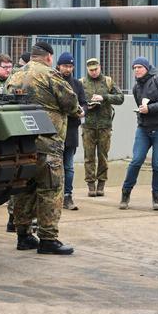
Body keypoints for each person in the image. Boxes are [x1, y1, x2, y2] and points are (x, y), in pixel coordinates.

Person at [5, 41, 79, 254]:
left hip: (22, 143)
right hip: (47, 143)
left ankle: (23, 236)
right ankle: (48, 239)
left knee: (23, 189)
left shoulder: (15, 75)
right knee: (51, 189)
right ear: (48, 57)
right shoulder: (50, 75)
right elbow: (71, 103)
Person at [118, 56, 158, 211]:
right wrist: (142, 112)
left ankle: (157, 197)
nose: (136, 70)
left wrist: (149, 108)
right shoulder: (136, 87)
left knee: (157, 164)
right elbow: (140, 107)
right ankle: (125, 193)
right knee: (136, 160)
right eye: (134, 68)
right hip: (143, 129)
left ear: (147, 68)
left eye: (139, 67)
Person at [80, 57, 123, 197]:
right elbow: (76, 101)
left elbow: (120, 98)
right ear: (87, 70)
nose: (93, 72)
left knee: (103, 156)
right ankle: (90, 184)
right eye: (91, 70)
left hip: (105, 125)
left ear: (100, 67)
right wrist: (87, 104)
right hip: (88, 125)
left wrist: (104, 97)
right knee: (89, 157)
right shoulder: (82, 83)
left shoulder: (108, 81)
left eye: (95, 69)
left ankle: (101, 184)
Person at [54, 52, 87, 211]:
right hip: (55, 130)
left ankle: (68, 196)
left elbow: (83, 103)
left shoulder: (77, 84)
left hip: (72, 129)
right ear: (58, 66)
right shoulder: (53, 81)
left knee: (69, 166)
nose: (68, 69)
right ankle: (55, 196)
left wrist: (83, 111)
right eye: (65, 66)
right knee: (54, 165)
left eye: (70, 66)